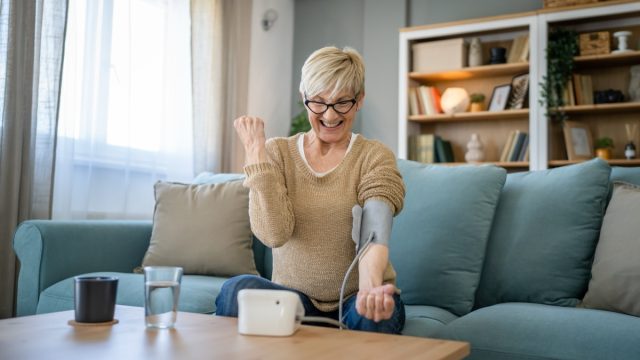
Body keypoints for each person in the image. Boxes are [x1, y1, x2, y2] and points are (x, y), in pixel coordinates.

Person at [215, 46, 406, 334]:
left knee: (374, 317)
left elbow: (375, 227)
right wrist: (256, 154)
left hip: (355, 299)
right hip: (293, 301)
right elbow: (273, 234)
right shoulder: (277, 152)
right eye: (318, 102)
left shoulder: (374, 155)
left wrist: (370, 292)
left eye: (342, 102)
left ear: (360, 100)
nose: (329, 115)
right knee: (234, 291)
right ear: (304, 99)